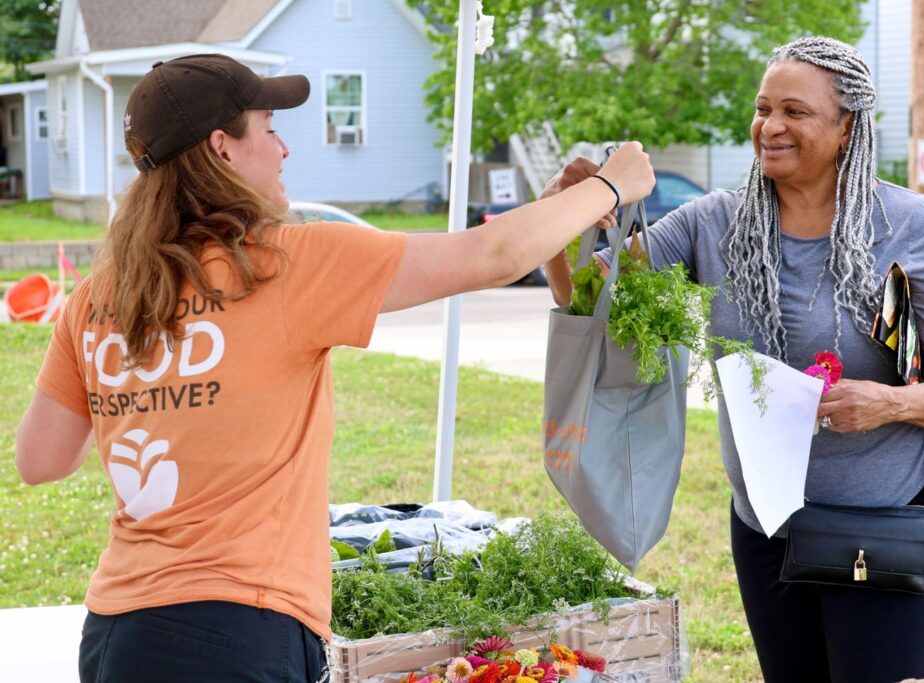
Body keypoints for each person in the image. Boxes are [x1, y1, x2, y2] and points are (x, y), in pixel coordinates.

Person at [13, 54, 654, 683]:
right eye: (269, 128)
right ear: (223, 148)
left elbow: (39, 460)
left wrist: (152, 395)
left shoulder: (98, 296)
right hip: (236, 632)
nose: (285, 149)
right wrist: (612, 182)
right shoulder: (281, 266)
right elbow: (490, 255)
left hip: (113, 631)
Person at [544, 36, 924, 683]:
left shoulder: (910, 224)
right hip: (767, 530)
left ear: (846, 128)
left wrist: (886, 401)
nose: (770, 126)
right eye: (762, 108)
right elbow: (590, 299)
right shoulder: (713, 223)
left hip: (886, 530)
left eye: (795, 111)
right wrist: (565, 215)